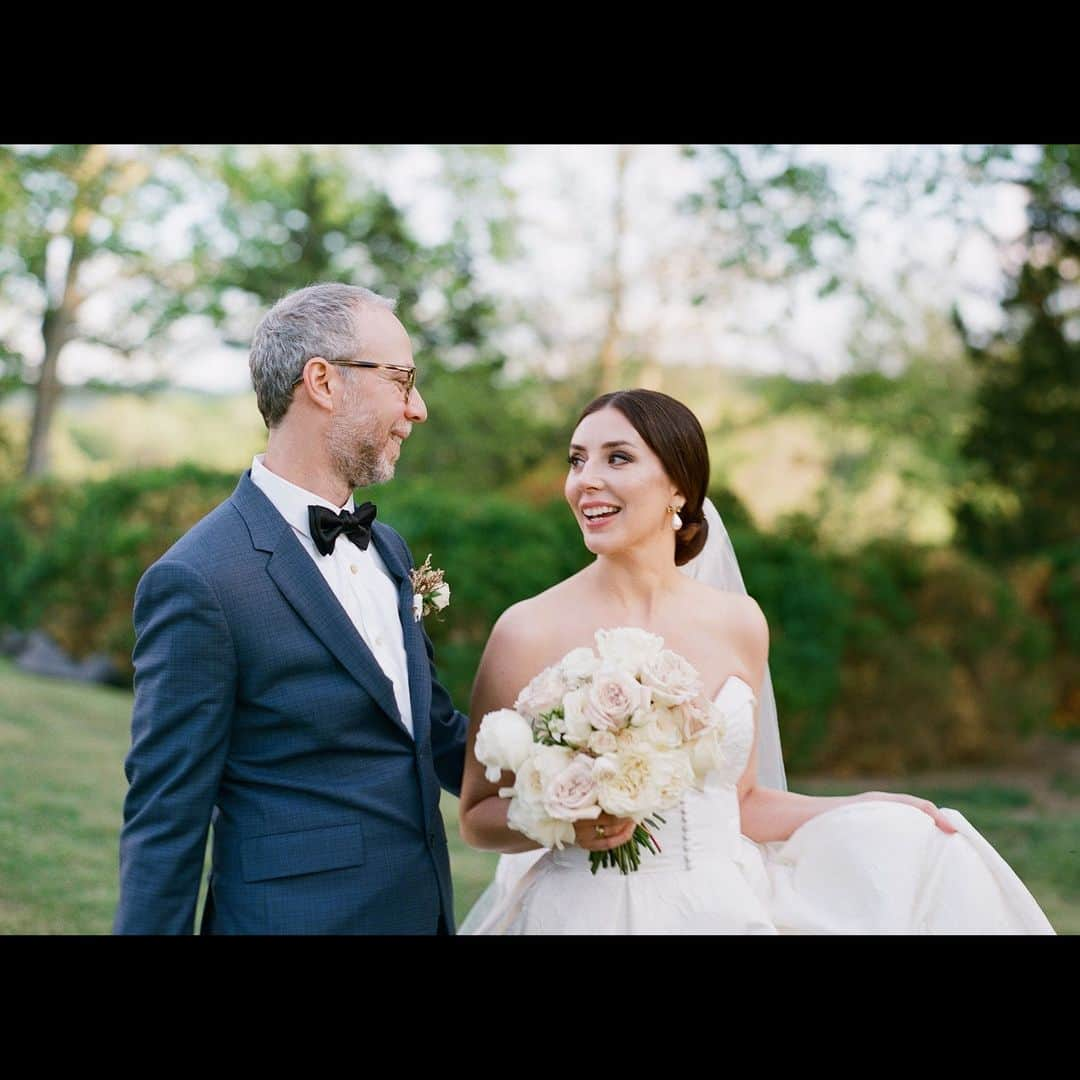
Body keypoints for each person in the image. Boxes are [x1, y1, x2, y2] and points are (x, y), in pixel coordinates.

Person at [458, 389, 1054, 933]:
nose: (586, 479)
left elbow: (739, 803)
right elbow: (478, 815)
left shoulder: (739, 621)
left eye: (617, 458)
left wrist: (861, 807)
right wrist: (568, 820)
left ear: (679, 488)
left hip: (719, 909)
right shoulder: (526, 628)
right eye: (576, 459)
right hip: (580, 913)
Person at [115, 283, 468, 935]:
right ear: (324, 382)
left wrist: (571, 751)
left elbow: (431, 731)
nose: (416, 408)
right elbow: (165, 822)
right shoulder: (200, 580)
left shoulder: (389, 550)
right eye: (402, 379)